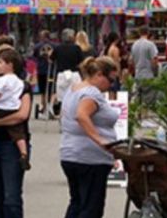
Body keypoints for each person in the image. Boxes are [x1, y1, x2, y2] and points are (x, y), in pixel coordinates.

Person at [59, 56, 120, 218]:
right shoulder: (92, 93)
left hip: (70, 153)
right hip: (90, 158)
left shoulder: (74, 89)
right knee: (91, 207)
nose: (111, 85)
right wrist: (101, 141)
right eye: (110, 80)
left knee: (77, 203)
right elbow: (82, 115)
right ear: (99, 74)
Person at [0, 50, 32, 218]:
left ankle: (22, 155)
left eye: (0, 62)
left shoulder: (23, 86)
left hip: (10, 144)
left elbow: (22, 115)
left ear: (11, 65)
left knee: (11, 197)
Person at [0, 48, 31, 171]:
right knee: (19, 134)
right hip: (13, 108)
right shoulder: (21, 83)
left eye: (0, 62)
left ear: (10, 65)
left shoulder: (0, 80)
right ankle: (24, 153)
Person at [50, 28, 84, 108]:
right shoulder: (77, 48)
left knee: (62, 96)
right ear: (72, 37)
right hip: (74, 74)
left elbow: (51, 60)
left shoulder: (58, 48)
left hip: (61, 74)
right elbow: (81, 62)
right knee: (76, 94)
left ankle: (62, 111)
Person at [130, 26, 159, 105]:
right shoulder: (150, 45)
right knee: (148, 102)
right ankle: (146, 116)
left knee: (137, 100)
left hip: (138, 75)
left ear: (139, 33)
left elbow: (131, 61)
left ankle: (139, 116)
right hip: (148, 76)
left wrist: (134, 71)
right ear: (148, 33)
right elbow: (154, 60)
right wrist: (156, 73)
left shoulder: (134, 45)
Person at [32, 29, 55, 117]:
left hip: (41, 69)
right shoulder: (54, 46)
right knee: (51, 89)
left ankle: (44, 106)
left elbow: (34, 56)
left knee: (42, 90)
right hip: (51, 69)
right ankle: (51, 106)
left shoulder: (37, 46)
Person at [104, 32, 122, 98]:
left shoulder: (108, 48)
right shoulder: (115, 49)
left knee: (110, 91)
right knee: (115, 91)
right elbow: (117, 62)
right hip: (114, 72)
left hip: (109, 71)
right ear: (116, 39)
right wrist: (119, 74)